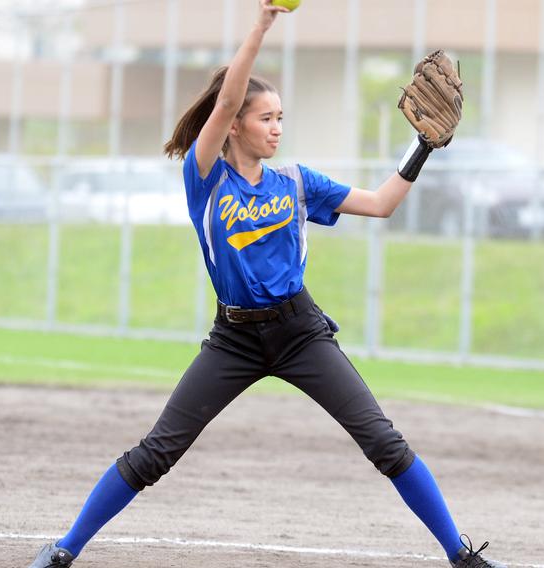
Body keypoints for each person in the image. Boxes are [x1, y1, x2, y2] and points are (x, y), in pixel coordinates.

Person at [28, 2, 505, 567]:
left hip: (300, 332)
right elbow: (227, 97)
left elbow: (378, 205)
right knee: (157, 452)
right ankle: (62, 550)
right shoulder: (206, 179)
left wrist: (421, 148)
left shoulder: (296, 182)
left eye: (281, 117)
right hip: (234, 339)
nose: (276, 127)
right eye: (265, 118)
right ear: (234, 126)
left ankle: (461, 556)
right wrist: (263, 23)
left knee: (383, 443)